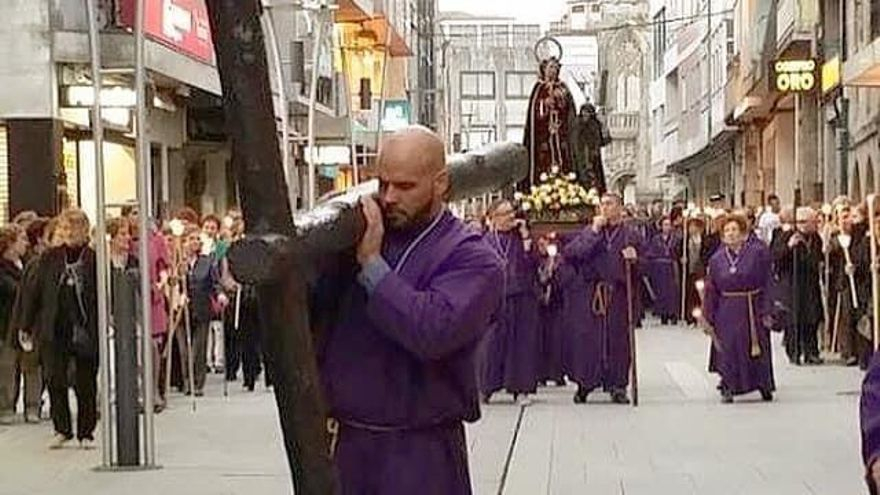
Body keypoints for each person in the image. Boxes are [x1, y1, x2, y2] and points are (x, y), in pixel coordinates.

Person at [315, 126, 504, 493]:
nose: (388, 198)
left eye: (404, 187)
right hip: (348, 445)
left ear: (440, 184)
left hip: (421, 453)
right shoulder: (353, 237)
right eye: (382, 184)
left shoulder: (472, 256)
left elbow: (432, 331)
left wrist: (371, 264)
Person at [19, 209, 98, 449]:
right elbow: (35, 292)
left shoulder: (92, 257)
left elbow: (101, 292)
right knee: (54, 377)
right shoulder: (50, 257)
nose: (68, 232)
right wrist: (26, 324)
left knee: (86, 381)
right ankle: (62, 427)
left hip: (84, 325)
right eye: (64, 227)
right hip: (55, 325)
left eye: (73, 228)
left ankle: (86, 431)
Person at [563, 193, 642, 404]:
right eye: (602, 204)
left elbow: (644, 268)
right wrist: (594, 231)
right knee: (588, 339)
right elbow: (572, 254)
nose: (605, 208)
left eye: (610, 204)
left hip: (618, 294)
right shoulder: (589, 231)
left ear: (619, 208)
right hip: (590, 294)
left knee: (617, 340)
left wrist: (635, 260)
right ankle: (585, 384)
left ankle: (617, 385)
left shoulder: (630, 235)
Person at [702, 214, 775, 403]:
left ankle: (762, 384)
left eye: (734, 230)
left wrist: (767, 309)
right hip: (727, 310)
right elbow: (711, 289)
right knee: (729, 348)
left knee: (756, 347)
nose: (731, 234)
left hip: (752, 306)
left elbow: (767, 281)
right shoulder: (716, 260)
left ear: (742, 233)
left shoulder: (757, 253)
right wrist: (707, 316)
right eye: (727, 231)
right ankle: (728, 385)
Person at [482, 202, 540, 405]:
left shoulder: (521, 237)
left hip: (522, 296)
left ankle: (520, 390)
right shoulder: (485, 240)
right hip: (495, 299)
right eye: (505, 214)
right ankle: (486, 388)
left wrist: (526, 237)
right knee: (491, 344)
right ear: (494, 217)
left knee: (521, 345)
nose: (510, 217)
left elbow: (534, 262)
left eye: (511, 213)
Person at [176, 225, 225, 397]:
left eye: (198, 239)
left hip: (201, 308)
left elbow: (214, 283)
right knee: (184, 351)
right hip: (181, 312)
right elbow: (172, 282)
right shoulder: (178, 261)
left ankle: (198, 383)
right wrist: (179, 293)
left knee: (198, 348)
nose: (195, 242)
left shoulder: (206, 262)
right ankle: (186, 381)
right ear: (184, 242)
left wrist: (219, 295)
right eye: (191, 239)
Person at [772, 207, 824, 365]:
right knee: (794, 318)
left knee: (811, 317)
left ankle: (811, 352)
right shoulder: (786, 236)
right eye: (800, 222)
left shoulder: (815, 238)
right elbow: (775, 256)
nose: (802, 225)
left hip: (809, 283)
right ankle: (794, 351)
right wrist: (789, 246)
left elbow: (817, 258)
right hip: (792, 283)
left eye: (806, 222)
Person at [0, 224, 28, 424]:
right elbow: (14, 291)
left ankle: (23, 403)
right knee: (7, 366)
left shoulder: (25, 264)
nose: (26, 243)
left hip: (23, 323)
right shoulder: (2, 268)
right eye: (22, 239)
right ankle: (5, 406)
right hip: (5, 324)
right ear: (10, 243)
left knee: (24, 365)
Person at [645, 217, 681, 325]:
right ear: (661, 226)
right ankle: (663, 315)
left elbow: (679, 252)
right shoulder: (656, 239)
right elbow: (651, 252)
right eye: (665, 224)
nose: (667, 227)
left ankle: (673, 314)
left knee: (672, 291)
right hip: (659, 268)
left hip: (671, 266)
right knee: (661, 291)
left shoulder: (676, 239)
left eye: (668, 225)